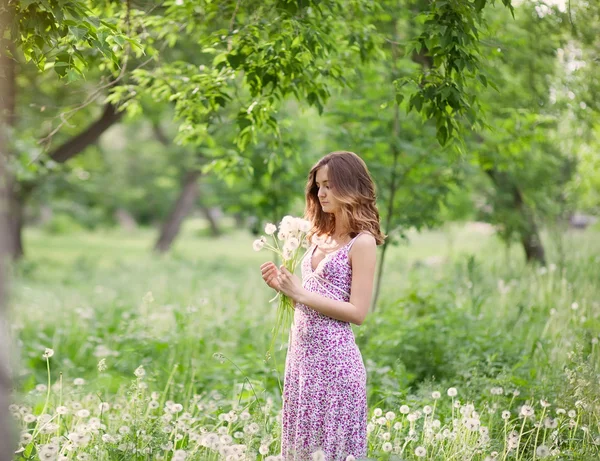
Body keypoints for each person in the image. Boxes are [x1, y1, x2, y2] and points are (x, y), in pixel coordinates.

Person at [260, 151, 385, 461]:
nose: (322, 193)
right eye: (318, 186)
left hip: (336, 366)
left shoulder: (362, 242)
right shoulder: (318, 236)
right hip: (302, 361)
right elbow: (310, 294)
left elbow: (357, 313)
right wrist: (284, 287)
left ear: (350, 186)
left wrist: (300, 294)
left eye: (329, 185)